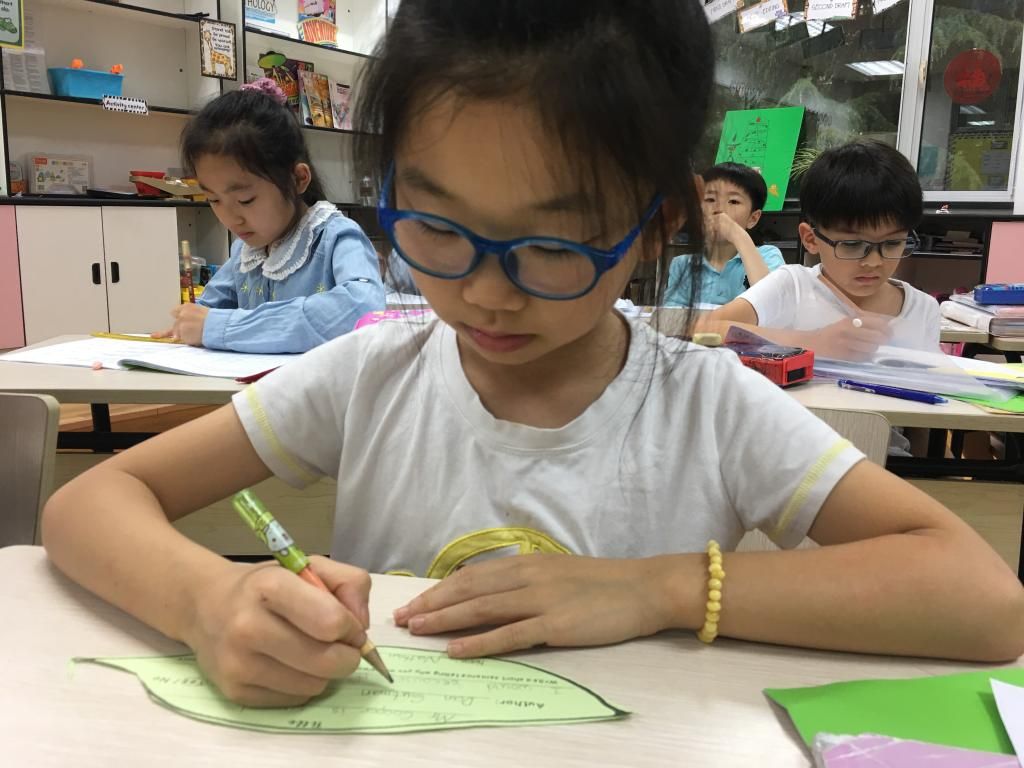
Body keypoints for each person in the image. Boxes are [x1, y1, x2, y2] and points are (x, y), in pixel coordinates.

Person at [43, 1, 1023, 709]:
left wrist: (657, 587)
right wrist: (209, 600)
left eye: (553, 245)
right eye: (435, 227)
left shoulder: (706, 406)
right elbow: (87, 504)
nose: (485, 291)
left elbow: (981, 600)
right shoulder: (371, 377)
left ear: (656, 226)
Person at [152, 79, 385, 354]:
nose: (230, 219)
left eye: (245, 200)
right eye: (213, 200)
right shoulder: (245, 252)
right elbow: (208, 310)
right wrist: (188, 324)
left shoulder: (336, 237)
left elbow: (364, 307)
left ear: (298, 179)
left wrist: (223, 327)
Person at [703, 140, 941, 360]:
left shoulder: (923, 309)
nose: (874, 262)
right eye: (852, 245)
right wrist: (813, 342)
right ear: (810, 238)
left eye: (892, 243)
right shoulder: (792, 287)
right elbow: (703, 328)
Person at [664, 162, 784, 307]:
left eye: (733, 201)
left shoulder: (768, 256)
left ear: (753, 218)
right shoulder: (683, 265)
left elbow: (772, 305)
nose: (719, 209)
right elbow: (672, 315)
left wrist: (737, 234)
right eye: (710, 199)